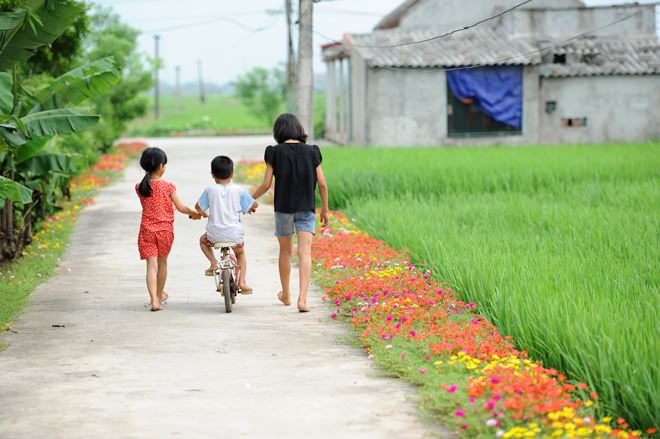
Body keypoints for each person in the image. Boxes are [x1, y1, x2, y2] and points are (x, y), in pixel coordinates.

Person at [252, 113, 329, 312]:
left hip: (283, 209)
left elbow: (266, 184)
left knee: (285, 251)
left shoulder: (274, 152)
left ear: (278, 131)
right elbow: (322, 184)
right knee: (305, 253)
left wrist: (250, 200)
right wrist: (325, 210)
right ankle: (302, 300)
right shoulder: (312, 151)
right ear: (298, 129)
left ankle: (286, 294)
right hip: (307, 208)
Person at [136, 147, 202, 311]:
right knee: (162, 264)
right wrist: (195, 213)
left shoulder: (140, 187)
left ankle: (154, 300)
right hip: (165, 231)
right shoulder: (168, 186)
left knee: (151, 266)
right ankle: (159, 294)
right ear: (160, 166)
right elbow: (181, 207)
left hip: (147, 231)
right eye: (164, 165)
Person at [195, 155, 257, 294]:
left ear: (212, 174)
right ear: (232, 173)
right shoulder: (238, 190)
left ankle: (213, 263)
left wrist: (203, 213)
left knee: (202, 241)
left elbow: (198, 207)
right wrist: (250, 207)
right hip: (234, 235)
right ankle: (242, 282)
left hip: (214, 236)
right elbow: (254, 204)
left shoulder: (209, 190)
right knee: (240, 254)